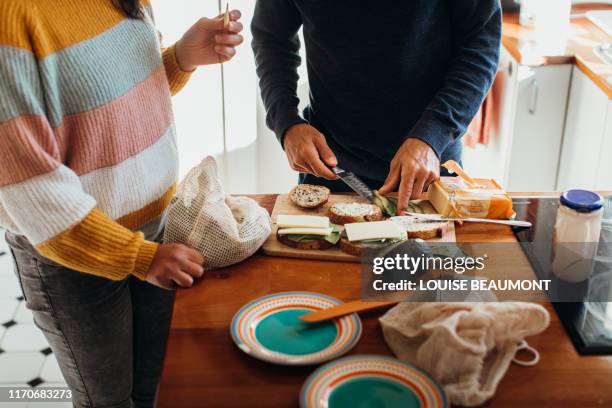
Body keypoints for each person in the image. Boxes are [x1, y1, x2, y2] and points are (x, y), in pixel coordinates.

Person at [0, 0, 243, 406]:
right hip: (73, 260)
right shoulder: (12, 19)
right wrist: (139, 258)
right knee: (109, 402)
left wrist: (181, 57)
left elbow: (108, 104)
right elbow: (33, 190)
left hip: (155, 236)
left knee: (153, 389)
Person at [252, 0, 501, 214]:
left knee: (430, 268)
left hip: (428, 168)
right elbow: (271, 39)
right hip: (330, 167)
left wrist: (433, 135)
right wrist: (286, 123)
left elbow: (481, 43)